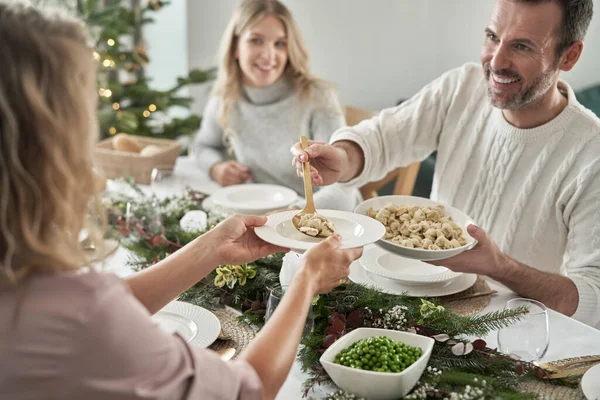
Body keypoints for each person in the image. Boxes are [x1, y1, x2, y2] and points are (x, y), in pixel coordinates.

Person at [0, 3, 363, 399]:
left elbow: (98, 302)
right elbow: (247, 390)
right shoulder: (80, 320)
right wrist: (306, 280)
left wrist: (210, 249)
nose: (98, 180)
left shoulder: (35, 289)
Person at [291, 0, 600, 327]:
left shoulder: (590, 152)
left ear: (569, 56)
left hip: (516, 336)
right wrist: (342, 157)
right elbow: (381, 138)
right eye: (492, 36)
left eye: (521, 46)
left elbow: (593, 297)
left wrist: (499, 267)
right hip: (420, 309)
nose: (495, 62)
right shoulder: (462, 88)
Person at [194, 0, 362, 212]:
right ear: (236, 47)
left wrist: (288, 215)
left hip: (320, 220)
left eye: (280, 44)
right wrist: (216, 168)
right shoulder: (225, 96)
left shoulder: (318, 97)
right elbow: (203, 146)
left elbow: (343, 190)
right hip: (262, 217)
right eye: (256, 40)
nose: (268, 55)